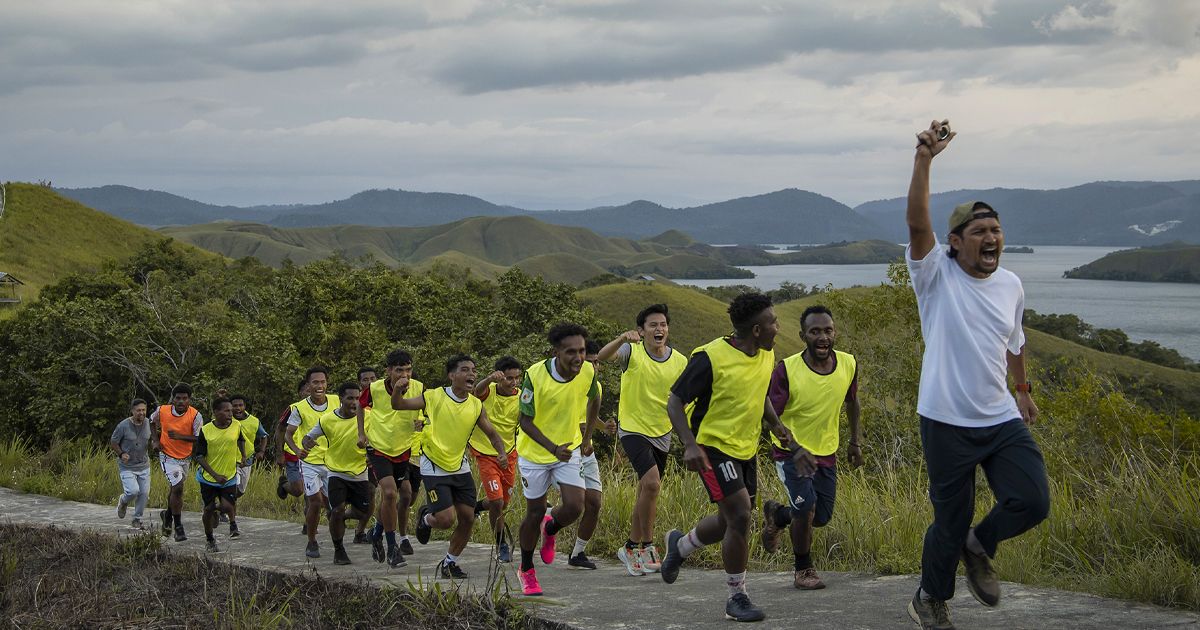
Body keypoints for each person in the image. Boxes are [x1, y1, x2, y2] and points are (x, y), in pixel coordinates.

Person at [904, 119, 1050, 630]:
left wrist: (1023, 390)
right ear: (956, 242)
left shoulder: (1010, 283)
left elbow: (1014, 340)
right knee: (949, 520)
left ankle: (979, 545)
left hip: (999, 415)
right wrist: (924, 157)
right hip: (945, 420)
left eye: (997, 230)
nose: (993, 238)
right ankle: (931, 598)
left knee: (1032, 500)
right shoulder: (935, 274)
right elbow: (917, 226)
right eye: (980, 232)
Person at [658, 292, 814, 622]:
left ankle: (681, 546)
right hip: (712, 447)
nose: (778, 326)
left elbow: (760, 398)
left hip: (745, 449)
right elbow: (674, 401)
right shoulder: (710, 357)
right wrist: (688, 444)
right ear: (756, 329)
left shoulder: (765, 355)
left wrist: (784, 433)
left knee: (730, 518)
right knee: (742, 516)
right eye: (773, 322)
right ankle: (736, 597)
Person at [761, 305, 863, 590]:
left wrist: (855, 441)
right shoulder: (787, 370)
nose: (822, 337)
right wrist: (793, 447)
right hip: (790, 453)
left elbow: (852, 402)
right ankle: (803, 569)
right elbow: (771, 417)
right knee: (805, 509)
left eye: (828, 330)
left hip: (826, 452)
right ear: (802, 335)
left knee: (820, 516)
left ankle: (777, 515)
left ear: (835, 333)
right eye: (815, 331)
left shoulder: (848, 363)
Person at [396, 354, 508, 580]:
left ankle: (450, 563)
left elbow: (492, 433)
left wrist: (502, 452)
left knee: (467, 518)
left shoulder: (476, 404)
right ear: (452, 375)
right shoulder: (434, 396)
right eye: (465, 370)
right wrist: (398, 389)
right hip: (434, 466)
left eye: (473, 370)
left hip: (460, 467)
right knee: (446, 520)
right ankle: (426, 518)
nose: (472, 375)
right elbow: (399, 404)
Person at [597, 303, 687, 576]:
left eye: (663, 325)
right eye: (652, 325)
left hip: (662, 432)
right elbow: (602, 356)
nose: (659, 329)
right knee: (652, 484)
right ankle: (648, 546)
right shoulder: (631, 351)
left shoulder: (680, 361)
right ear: (641, 331)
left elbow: (684, 400)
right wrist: (623, 338)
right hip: (633, 429)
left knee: (645, 491)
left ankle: (629, 547)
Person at [514, 322, 601, 597]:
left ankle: (551, 528)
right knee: (534, 512)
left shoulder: (587, 371)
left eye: (583, 351)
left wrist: (586, 438)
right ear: (556, 352)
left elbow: (594, 397)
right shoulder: (535, 375)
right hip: (535, 454)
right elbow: (524, 421)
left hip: (569, 448)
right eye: (571, 352)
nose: (579, 358)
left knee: (576, 506)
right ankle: (526, 569)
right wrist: (552, 448)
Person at [359, 349, 425, 567]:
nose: (404, 375)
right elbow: (361, 407)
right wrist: (361, 434)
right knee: (389, 493)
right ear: (388, 371)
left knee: (396, 497)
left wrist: (421, 422)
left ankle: (377, 533)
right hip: (378, 447)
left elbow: (425, 411)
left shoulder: (418, 387)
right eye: (399, 370)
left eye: (408, 369)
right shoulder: (375, 388)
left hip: (403, 448)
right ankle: (392, 548)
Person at [303, 382, 372, 565]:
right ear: (340, 399)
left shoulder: (368, 417)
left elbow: (379, 439)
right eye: (350, 398)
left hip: (360, 472)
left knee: (363, 511)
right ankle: (339, 550)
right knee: (337, 509)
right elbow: (308, 437)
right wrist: (306, 443)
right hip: (336, 472)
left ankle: (344, 516)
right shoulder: (327, 420)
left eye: (357, 398)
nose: (354, 402)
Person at [562, 340, 616, 570]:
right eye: (589, 361)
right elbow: (581, 422)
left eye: (597, 362)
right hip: (563, 450)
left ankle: (578, 553)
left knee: (594, 503)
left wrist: (604, 427)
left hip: (586, 449)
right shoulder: (566, 384)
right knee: (573, 505)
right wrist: (586, 433)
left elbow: (589, 418)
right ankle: (547, 519)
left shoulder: (596, 386)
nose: (594, 366)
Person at [470, 356, 524, 563]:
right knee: (497, 501)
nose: (513, 382)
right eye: (509, 378)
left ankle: (477, 507)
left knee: (502, 503)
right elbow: (476, 392)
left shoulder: (521, 397)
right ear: (499, 378)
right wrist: (488, 379)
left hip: (509, 453)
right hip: (485, 452)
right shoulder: (488, 391)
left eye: (517, 378)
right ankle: (501, 543)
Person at [284, 367, 341, 559]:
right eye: (315, 382)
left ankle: (338, 546)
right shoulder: (299, 408)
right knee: (315, 501)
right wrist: (296, 450)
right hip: (310, 462)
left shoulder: (336, 401)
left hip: (332, 461)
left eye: (322, 382)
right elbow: (288, 433)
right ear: (308, 385)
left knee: (334, 506)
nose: (319, 386)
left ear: (327, 383)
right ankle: (311, 542)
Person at [150, 384, 203, 542]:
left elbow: (199, 437)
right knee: (178, 486)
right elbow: (151, 422)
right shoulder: (162, 411)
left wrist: (180, 436)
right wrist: (155, 440)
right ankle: (178, 526)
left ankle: (167, 515)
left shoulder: (195, 415)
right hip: (167, 456)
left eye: (184, 398)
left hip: (185, 458)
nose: (181, 401)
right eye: (178, 398)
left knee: (175, 489)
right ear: (173, 399)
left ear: (189, 400)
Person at [193, 397, 247, 552]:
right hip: (209, 478)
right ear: (216, 412)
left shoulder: (236, 425)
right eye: (226, 410)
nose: (231, 413)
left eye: (231, 410)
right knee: (208, 510)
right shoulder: (206, 430)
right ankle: (210, 539)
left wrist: (243, 456)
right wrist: (215, 475)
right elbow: (199, 456)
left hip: (229, 476)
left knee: (227, 505)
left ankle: (232, 523)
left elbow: (241, 440)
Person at [110, 398, 152, 529]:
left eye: (143, 410)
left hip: (144, 465)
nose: (141, 413)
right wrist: (121, 453)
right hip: (127, 466)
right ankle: (123, 501)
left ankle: (137, 519)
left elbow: (154, 438)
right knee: (133, 491)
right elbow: (113, 442)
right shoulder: (123, 425)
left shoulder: (149, 423)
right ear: (132, 411)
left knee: (144, 493)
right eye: (138, 410)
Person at [352, 367, 379, 545]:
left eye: (372, 379)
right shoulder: (355, 404)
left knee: (371, 494)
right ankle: (339, 515)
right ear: (360, 383)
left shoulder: (384, 400)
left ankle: (360, 531)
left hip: (375, 455)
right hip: (351, 458)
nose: (369, 383)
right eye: (365, 380)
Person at [276, 379, 309, 502]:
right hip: (292, 454)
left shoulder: (323, 408)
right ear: (300, 393)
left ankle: (309, 517)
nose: (311, 393)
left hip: (313, 455)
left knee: (312, 491)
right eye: (307, 390)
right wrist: (279, 454)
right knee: (298, 490)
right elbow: (280, 430)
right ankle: (284, 485)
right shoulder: (293, 408)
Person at [230, 394, 267, 500]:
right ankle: (227, 512)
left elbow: (264, 436)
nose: (238, 408)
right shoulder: (227, 420)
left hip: (247, 460)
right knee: (233, 487)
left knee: (241, 490)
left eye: (240, 405)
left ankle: (222, 506)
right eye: (235, 406)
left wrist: (261, 451)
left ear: (245, 406)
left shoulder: (254, 421)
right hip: (230, 460)